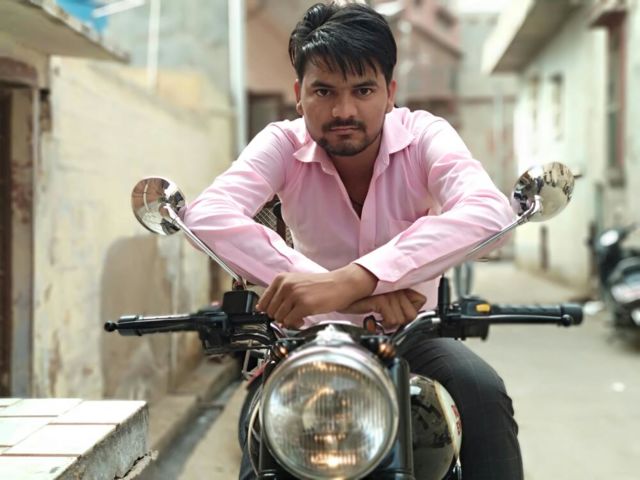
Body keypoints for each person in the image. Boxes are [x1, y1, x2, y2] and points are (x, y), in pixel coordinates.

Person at [183, 2, 521, 479]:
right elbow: (206, 216)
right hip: (308, 340)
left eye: (363, 90)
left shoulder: (425, 134)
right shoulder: (282, 142)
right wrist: (349, 292)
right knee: (262, 434)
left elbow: (490, 212)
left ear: (390, 93)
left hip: (412, 335)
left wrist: (353, 280)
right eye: (324, 91)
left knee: (483, 393)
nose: (344, 110)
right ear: (299, 95)